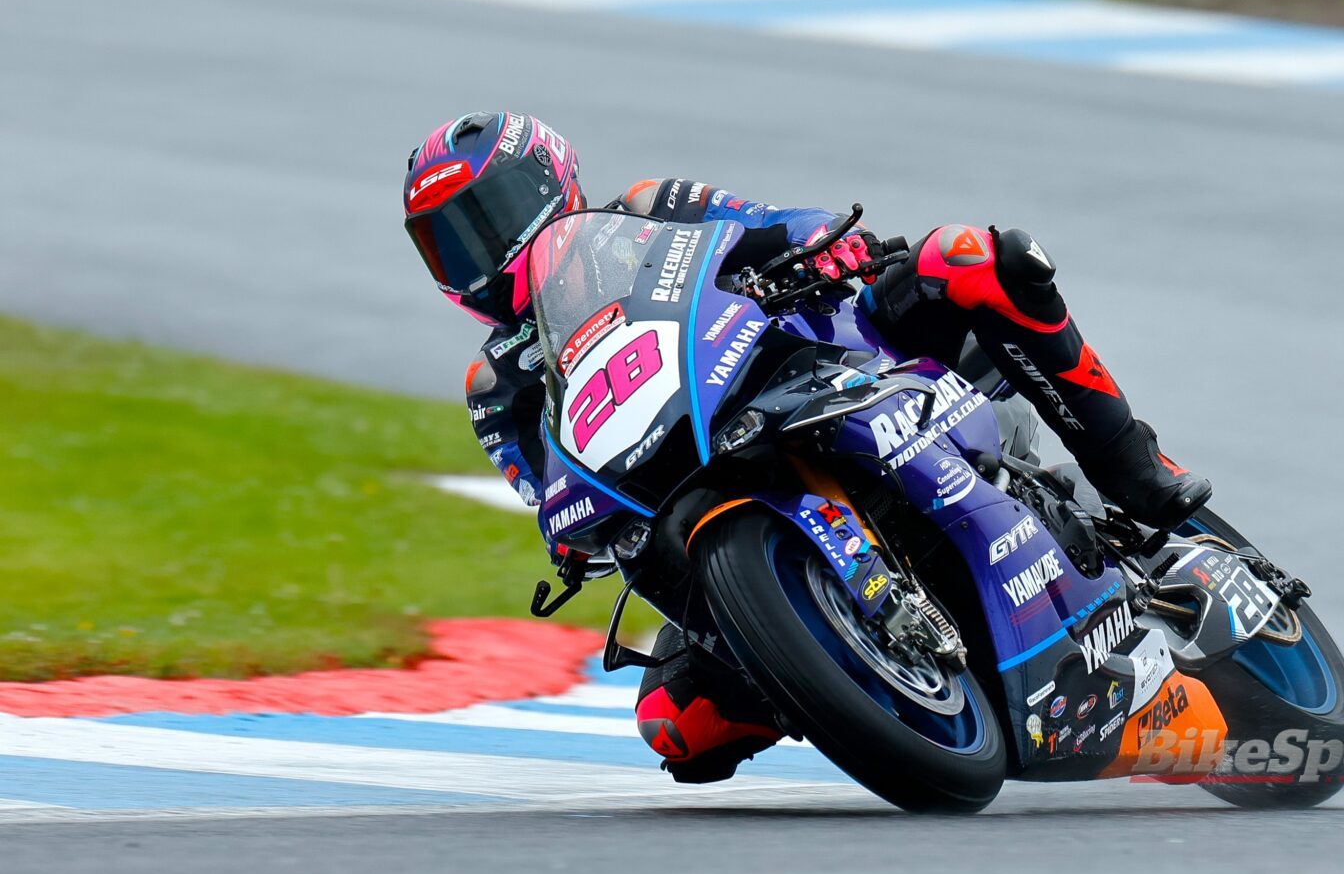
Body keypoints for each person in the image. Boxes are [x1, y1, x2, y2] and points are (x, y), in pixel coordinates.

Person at [403, 111, 1211, 783]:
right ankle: (844, 664)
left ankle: (1135, 469)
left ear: (551, 181)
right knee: (679, 725)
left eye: (491, 215)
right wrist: (572, 535)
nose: (482, 251)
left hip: (827, 357)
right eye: (452, 243)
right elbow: (544, 485)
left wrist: (826, 241)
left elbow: (773, 225)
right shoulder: (495, 386)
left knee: (969, 258)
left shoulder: (649, 209)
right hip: (692, 488)